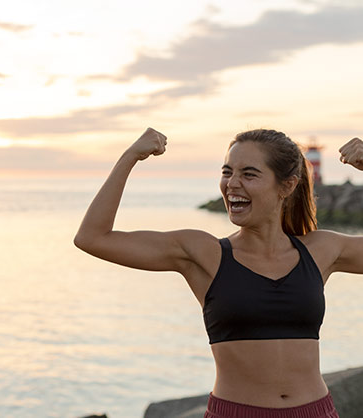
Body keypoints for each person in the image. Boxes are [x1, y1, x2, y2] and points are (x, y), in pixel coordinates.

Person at [74, 128, 363, 417]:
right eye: (227, 172)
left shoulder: (321, 250)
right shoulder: (203, 253)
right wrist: (130, 156)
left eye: (249, 174)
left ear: (287, 186)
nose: (232, 184)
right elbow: (93, 238)